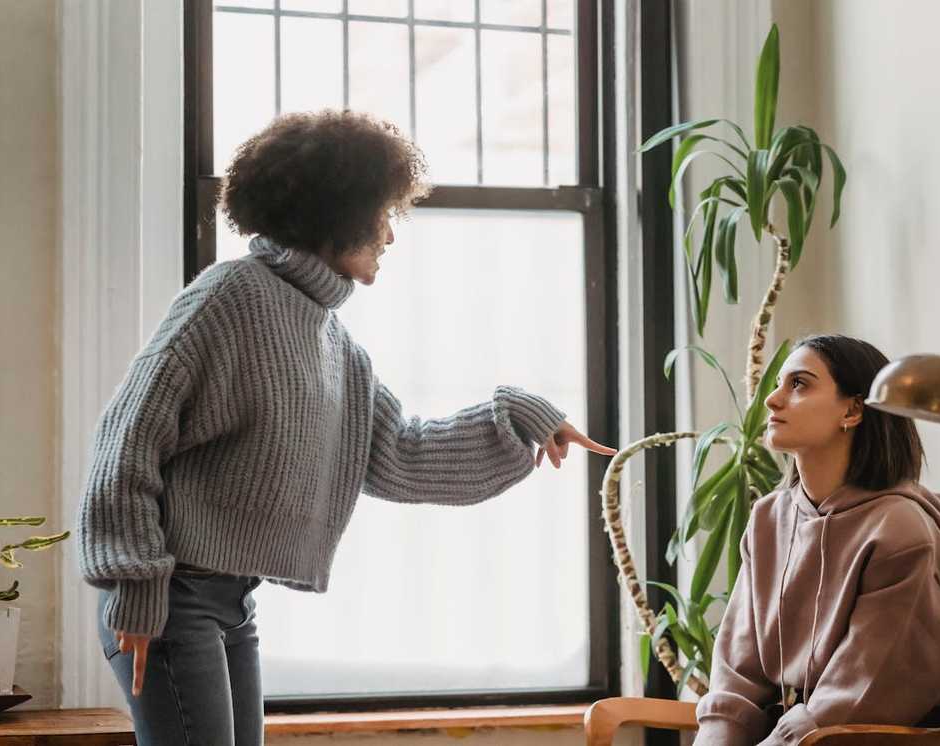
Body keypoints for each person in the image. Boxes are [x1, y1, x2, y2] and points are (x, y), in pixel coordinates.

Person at [76, 110, 616, 746]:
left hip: (229, 602)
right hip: (169, 599)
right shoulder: (229, 296)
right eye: (383, 215)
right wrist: (135, 588)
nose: (389, 236)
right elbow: (125, 442)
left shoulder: (333, 342)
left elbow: (401, 454)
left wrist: (518, 412)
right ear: (337, 214)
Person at [693, 334, 940, 745]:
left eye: (799, 384)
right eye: (778, 384)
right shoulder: (769, 518)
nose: (772, 400)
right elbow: (737, 669)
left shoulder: (900, 532)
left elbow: (860, 692)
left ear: (854, 410)